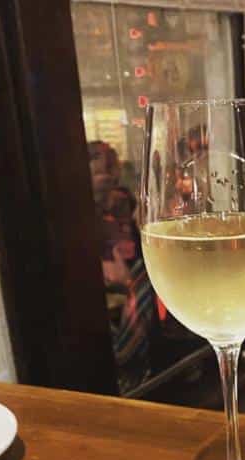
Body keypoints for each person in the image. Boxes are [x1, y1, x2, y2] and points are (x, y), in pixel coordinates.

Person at [87, 140, 155, 393]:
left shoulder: (124, 204)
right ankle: (127, 360)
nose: (105, 172)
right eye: (97, 163)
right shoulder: (75, 214)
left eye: (110, 164)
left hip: (132, 281)